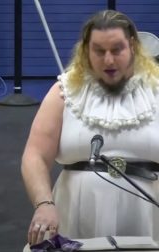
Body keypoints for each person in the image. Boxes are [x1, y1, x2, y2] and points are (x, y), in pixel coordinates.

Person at [21, 9, 159, 246]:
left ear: (133, 47)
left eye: (117, 50)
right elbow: (35, 156)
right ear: (86, 50)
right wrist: (44, 204)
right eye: (99, 51)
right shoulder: (63, 91)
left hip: (148, 211)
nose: (108, 60)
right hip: (75, 211)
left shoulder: (156, 90)